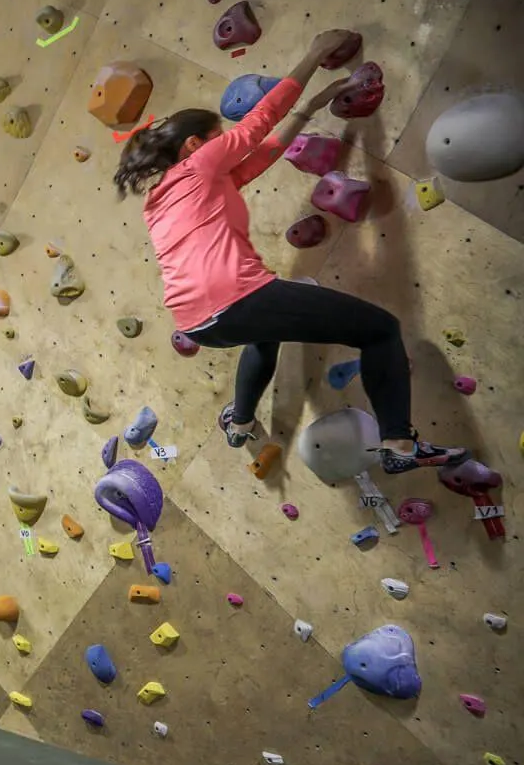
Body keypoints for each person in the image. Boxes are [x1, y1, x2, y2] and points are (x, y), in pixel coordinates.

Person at [114, 28, 470, 476]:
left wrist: (312, 107)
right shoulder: (198, 165)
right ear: (194, 146)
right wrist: (313, 53)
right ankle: (400, 441)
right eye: (216, 137)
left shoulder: (166, 195)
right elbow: (258, 122)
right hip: (236, 297)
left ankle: (240, 421)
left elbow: (265, 152)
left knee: (265, 336)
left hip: (198, 322)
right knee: (381, 330)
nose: (223, 144)